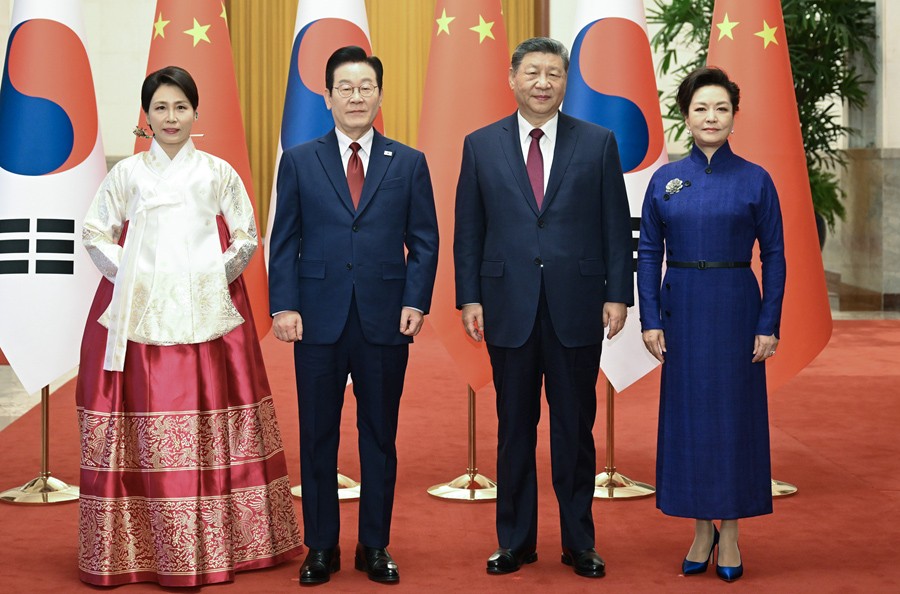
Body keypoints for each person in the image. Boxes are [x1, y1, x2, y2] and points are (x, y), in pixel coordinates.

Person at [76, 66, 302, 587]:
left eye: (180, 107)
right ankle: (140, 550)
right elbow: (94, 232)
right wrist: (135, 276)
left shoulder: (218, 172)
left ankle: (228, 545)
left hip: (208, 316)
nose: (171, 117)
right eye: (160, 107)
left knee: (214, 416)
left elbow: (246, 237)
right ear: (146, 115)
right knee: (140, 419)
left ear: (196, 112)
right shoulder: (127, 174)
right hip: (140, 316)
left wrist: (203, 280)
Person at [454, 37, 633, 579]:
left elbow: (614, 224)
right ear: (512, 78)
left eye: (553, 73)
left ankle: (580, 542)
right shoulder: (480, 145)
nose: (542, 83)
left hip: (576, 305)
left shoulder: (598, 142)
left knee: (574, 429)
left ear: (565, 82)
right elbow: (469, 230)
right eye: (532, 72)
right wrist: (469, 296)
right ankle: (515, 541)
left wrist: (618, 293)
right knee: (514, 428)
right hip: (507, 305)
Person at [268, 46, 439, 585]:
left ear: (380, 95)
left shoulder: (407, 162)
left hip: (385, 319)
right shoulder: (300, 160)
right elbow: (284, 239)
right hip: (317, 319)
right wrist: (284, 304)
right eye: (345, 87)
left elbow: (425, 241)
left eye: (366, 87)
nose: (356, 96)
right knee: (317, 436)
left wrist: (415, 300)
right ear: (327, 96)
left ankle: (374, 545)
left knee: (379, 436)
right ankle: (321, 547)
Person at [637, 66, 786, 583]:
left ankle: (732, 533)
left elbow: (775, 255)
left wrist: (769, 322)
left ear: (734, 116)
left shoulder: (755, 178)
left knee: (735, 420)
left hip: (736, 308)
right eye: (701, 108)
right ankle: (702, 529)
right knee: (691, 420)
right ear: (686, 115)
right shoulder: (665, 180)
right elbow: (648, 252)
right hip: (681, 310)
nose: (711, 117)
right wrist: (650, 319)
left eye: (721, 108)